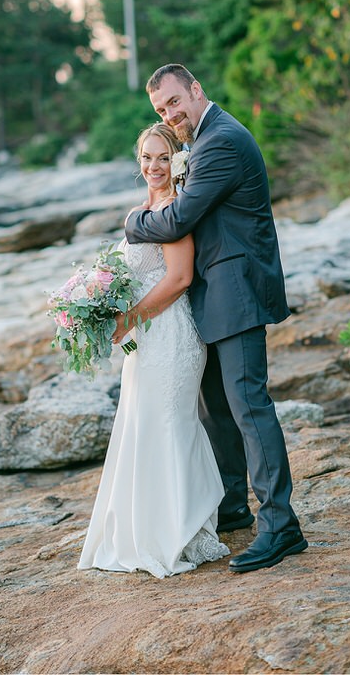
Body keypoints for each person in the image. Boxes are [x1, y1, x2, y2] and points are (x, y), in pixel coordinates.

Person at [125, 65, 308, 574]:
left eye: (175, 102)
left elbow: (178, 220)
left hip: (236, 291)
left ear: (196, 90)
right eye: (161, 110)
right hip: (211, 295)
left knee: (249, 404)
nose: (170, 114)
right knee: (217, 409)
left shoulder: (221, 141)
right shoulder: (200, 143)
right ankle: (232, 507)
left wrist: (132, 222)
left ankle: (281, 526)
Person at [78, 123, 230, 579]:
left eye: (163, 157)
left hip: (173, 335)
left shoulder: (175, 212)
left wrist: (128, 319)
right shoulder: (140, 212)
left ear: (178, 161)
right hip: (144, 340)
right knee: (141, 426)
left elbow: (179, 278)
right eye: (146, 157)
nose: (153, 167)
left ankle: (181, 531)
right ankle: (144, 527)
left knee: (169, 423)